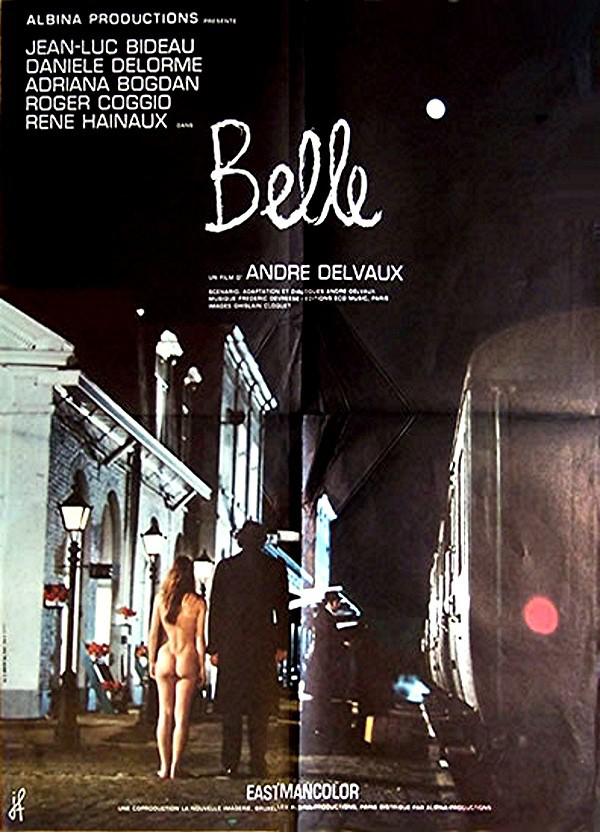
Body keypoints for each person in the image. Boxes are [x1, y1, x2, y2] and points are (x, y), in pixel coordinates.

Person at [208, 520, 288, 777]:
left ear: (240, 540)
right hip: (261, 645)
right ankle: (257, 762)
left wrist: (214, 646)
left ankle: (230, 762)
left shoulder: (226, 567)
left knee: (232, 711)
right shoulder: (275, 568)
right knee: (259, 711)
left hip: (232, 644)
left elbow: (216, 610)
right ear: (263, 541)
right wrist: (281, 644)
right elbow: (282, 610)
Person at [148, 555, 206, 779]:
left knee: (165, 714)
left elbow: (154, 634)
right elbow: (199, 638)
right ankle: (176, 767)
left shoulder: (161, 599)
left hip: (165, 656)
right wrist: (202, 667)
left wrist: (151, 661)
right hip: (186, 657)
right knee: (182, 717)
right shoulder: (198, 603)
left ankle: (163, 766)